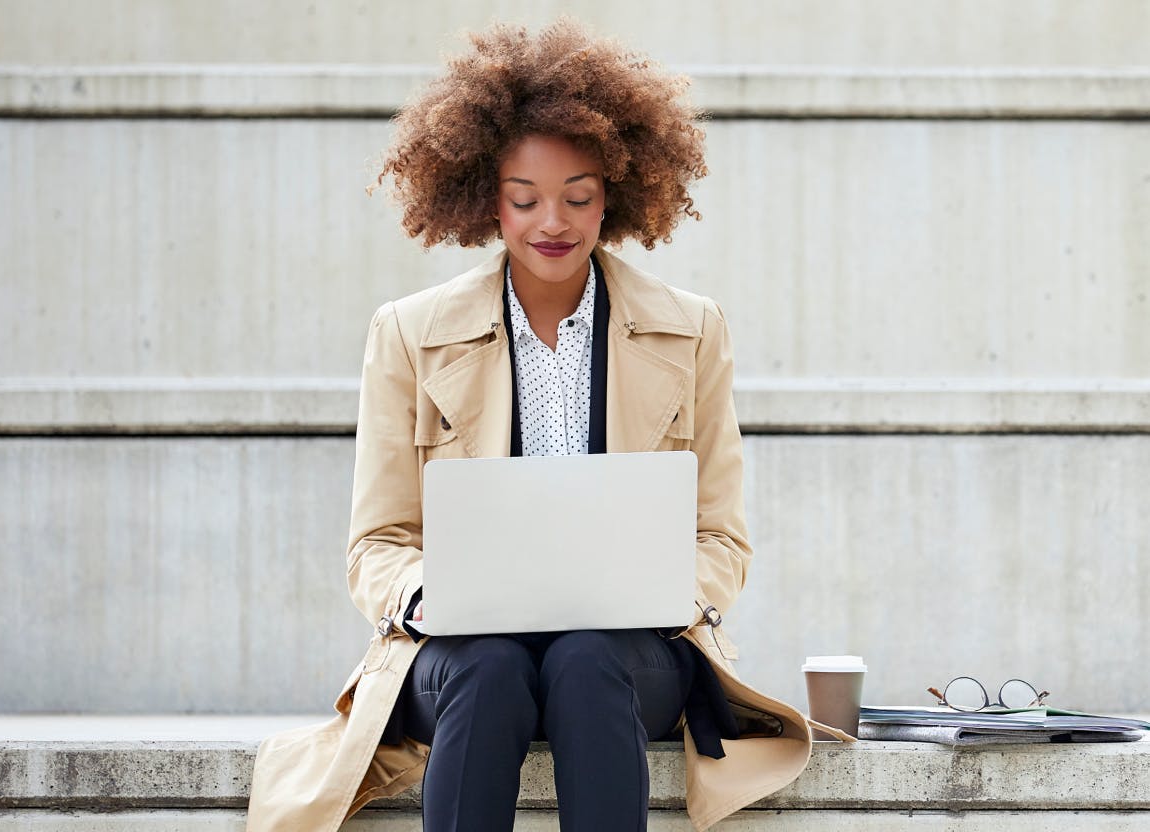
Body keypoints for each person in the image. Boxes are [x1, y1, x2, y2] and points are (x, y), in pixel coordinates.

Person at [246, 19, 837, 832]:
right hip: (457, 656)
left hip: (625, 656)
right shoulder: (408, 333)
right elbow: (376, 543)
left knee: (587, 656)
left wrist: (667, 593)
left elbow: (721, 539)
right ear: (485, 197)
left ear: (618, 194)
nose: (551, 222)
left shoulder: (691, 329)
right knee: (489, 667)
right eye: (524, 199)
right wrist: (429, 594)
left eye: (579, 197)